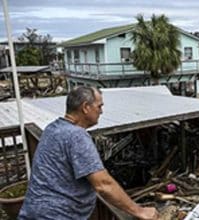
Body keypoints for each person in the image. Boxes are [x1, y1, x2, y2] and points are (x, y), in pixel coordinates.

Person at [19, 86, 159, 220]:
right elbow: (103, 184)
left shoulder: (52, 128)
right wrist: (139, 211)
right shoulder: (76, 136)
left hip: (34, 210)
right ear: (86, 107)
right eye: (99, 106)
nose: (101, 111)